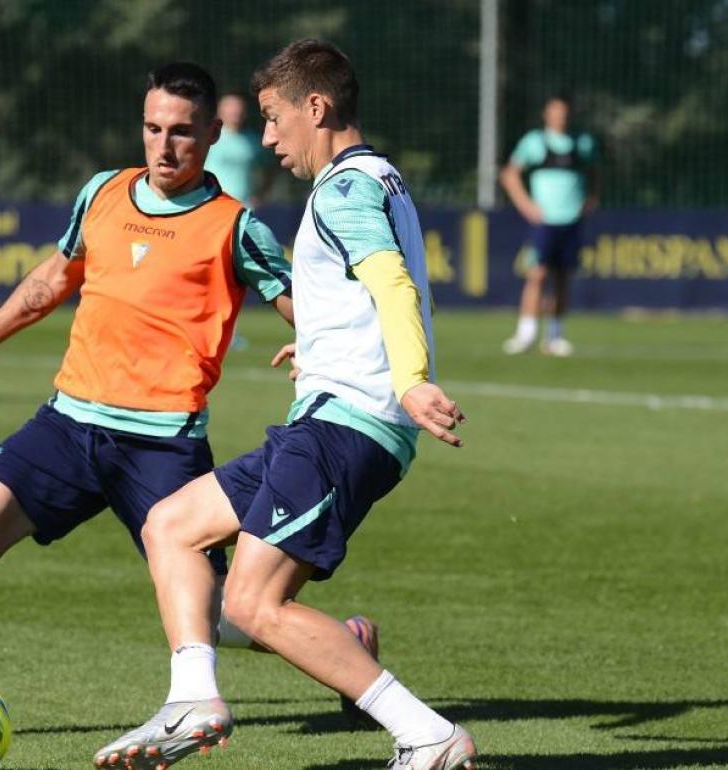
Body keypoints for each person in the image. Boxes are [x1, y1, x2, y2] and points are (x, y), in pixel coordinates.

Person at [0, 61, 375, 746]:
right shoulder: (103, 192)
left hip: (163, 443)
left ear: (212, 134)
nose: (164, 144)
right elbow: (51, 279)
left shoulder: (234, 227)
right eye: (153, 128)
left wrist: (318, 348)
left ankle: (350, 645)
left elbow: (303, 305)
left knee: (218, 613)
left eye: (182, 132)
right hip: (68, 425)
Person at [95, 40, 478, 770]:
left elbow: (392, 283)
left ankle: (426, 735)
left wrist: (411, 380)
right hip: (326, 413)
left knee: (251, 604)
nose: (267, 138)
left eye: (274, 119)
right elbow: (362, 289)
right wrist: (323, 345)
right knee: (171, 526)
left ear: (316, 107)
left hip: (348, 426)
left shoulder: (341, 188)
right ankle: (190, 701)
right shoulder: (379, 179)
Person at [499, 93, 599, 357]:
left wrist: (589, 202)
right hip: (544, 221)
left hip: (571, 221)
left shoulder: (582, 143)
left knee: (563, 276)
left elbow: (595, 175)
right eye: (555, 112)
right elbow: (510, 174)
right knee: (537, 274)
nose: (560, 117)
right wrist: (526, 205)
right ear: (547, 114)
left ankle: (555, 336)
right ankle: (526, 333)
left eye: (564, 112)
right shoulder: (535, 142)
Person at [204, 93, 271, 208]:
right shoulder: (207, 137)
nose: (235, 111)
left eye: (239, 107)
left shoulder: (253, 141)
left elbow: (269, 169)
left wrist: (260, 195)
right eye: (230, 107)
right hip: (212, 206)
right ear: (220, 110)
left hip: (244, 207)